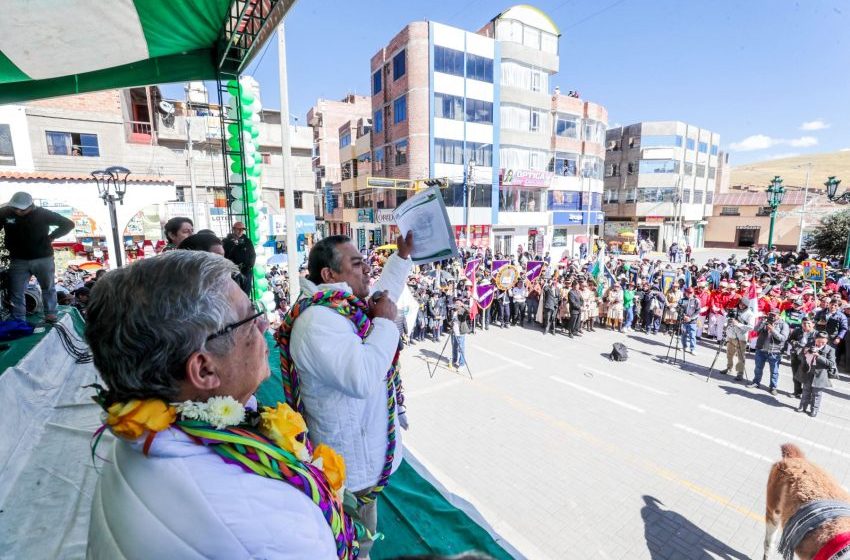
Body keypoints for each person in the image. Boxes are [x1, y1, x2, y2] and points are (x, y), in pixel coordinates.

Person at [85, 251, 348, 558]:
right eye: (250, 317)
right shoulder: (269, 522)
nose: (264, 324)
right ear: (204, 369)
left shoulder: (139, 439)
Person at [283, 232, 414, 558]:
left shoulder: (342, 307)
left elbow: (384, 299)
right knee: (354, 543)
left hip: (360, 457)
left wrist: (401, 257)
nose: (367, 268)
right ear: (329, 275)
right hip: (349, 467)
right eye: (356, 264)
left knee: (361, 533)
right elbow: (363, 377)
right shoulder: (319, 322)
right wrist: (386, 323)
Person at [0, 191, 74, 323]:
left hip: (43, 258)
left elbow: (68, 224)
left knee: (48, 287)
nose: (18, 211)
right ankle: (18, 319)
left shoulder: (43, 213)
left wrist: (52, 237)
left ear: (31, 206)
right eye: (15, 208)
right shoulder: (5, 212)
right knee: (16, 290)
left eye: (22, 209)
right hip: (18, 259)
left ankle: (51, 313)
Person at [748, 310, 789, 395]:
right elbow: (755, 330)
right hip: (761, 349)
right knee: (758, 368)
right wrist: (761, 322)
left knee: (774, 371)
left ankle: (773, 387)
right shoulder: (765, 321)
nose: (772, 316)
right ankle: (756, 382)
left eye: (774, 315)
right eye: (770, 314)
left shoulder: (783, 325)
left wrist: (773, 330)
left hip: (774, 351)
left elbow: (783, 338)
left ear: (779, 315)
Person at [797, 331, 836, 417]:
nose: (820, 344)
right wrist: (804, 353)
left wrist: (818, 356)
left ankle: (814, 410)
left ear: (827, 341)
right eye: (818, 341)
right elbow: (799, 357)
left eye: (823, 342)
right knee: (806, 391)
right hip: (808, 371)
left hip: (821, 374)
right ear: (815, 339)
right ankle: (802, 407)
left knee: (817, 393)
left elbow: (831, 363)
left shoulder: (830, 349)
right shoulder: (809, 344)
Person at [813, 297, 847, 379]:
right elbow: (814, 321)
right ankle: (816, 370)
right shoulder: (821, 312)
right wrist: (818, 322)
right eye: (832, 304)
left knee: (830, 356)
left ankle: (832, 373)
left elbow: (844, 328)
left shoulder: (841, 316)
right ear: (829, 304)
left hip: (832, 338)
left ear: (838, 307)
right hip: (819, 337)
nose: (833, 307)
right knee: (818, 353)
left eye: (835, 305)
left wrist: (839, 337)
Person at [223, 222, 256, 296]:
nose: (241, 231)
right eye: (239, 229)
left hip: (246, 270)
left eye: (242, 229)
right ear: (233, 229)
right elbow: (225, 255)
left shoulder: (247, 241)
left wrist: (249, 265)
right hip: (232, 270)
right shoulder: (227, 241)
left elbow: (253, 254)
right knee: (234, 292)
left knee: (246, 292)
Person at [724, 299, 755, 380]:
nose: (741, 306)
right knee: (729, 354)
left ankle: (740, 373)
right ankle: (729, 368)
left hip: (741, 337)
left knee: (740, 356)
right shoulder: (734, 310)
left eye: (743, 305)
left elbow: (751, 327)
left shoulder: (750, 314)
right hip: (731, 335)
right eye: (740, 304)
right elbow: (727, 319)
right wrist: (727, 323)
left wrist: (738, 324)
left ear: (747, 306)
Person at [788, 317, 816, 398]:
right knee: (795, 374)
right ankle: (797, 392)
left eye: (808, 323)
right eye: (804, 323)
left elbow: (819, 345)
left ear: (813, 324)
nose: (806, 325)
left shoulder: (816, 334)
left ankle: (807, 394)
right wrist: (794, 342)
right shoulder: (797, 330)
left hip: (808, 358)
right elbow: (790, 339)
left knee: (807, 376)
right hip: (796, 355)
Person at [449, 297, 471, 369]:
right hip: (454, 332)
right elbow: (449, 319)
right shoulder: (453, 310)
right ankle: (454, 360)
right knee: (454, 347)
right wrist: (450, 323)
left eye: (458, 303)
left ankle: (462, 364)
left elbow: (469, 311)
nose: (457, 304)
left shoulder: (463, 310)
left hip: (461, 332)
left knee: (461, 348)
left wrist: (463, 305)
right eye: (456, 303)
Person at [679, 287, 701, 354]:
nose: (689, 294)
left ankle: (692, 349)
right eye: (688, 292)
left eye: (690, 293)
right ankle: (684, 346)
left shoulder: (696, 301)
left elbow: (698, 311)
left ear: (693, 293)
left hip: (692, 322)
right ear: (685, 292)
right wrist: (683, 316)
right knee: (683, 335)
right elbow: (678, 309)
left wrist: (691, 318)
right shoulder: (682, 300)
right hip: (684, 321)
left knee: (692, 335)